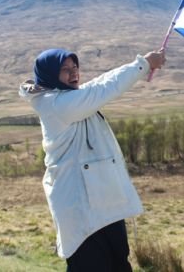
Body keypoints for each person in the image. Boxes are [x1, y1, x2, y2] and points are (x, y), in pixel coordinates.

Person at [19, 48, 166, 271]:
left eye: (75, 67)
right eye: (65, 69)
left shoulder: (68, 97)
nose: (73, 73)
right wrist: (142, 65)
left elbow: (100, 81)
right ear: (49, 75)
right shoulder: (56, 104)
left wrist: (144, 64)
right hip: (79, 206)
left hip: (103, 202)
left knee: (118, 264)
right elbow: (102, 89)